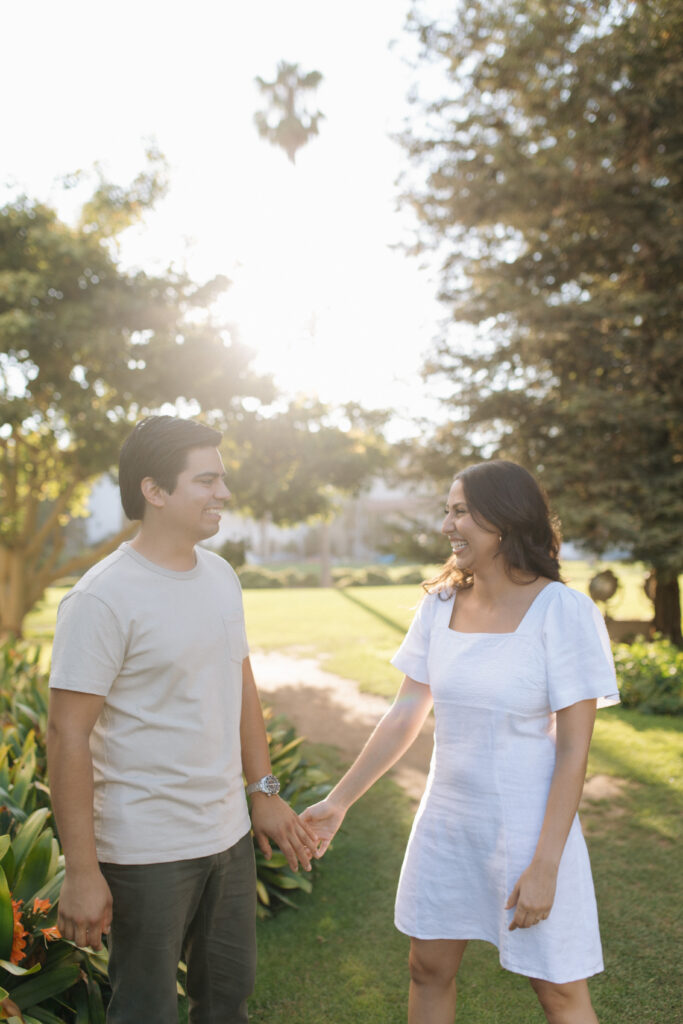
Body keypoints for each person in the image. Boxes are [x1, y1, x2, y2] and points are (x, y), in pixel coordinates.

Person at [301, 460, 619, 1024]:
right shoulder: (440, 604)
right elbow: (405, 712)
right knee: (427, 970)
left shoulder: (563, 611)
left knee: (559, 992)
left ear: (503, 521)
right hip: (447, 823)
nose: (447, 525)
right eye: (446, 511)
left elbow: (574, 751)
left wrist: (546, 863)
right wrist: (339, 800)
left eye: (460, 512)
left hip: (531, 832)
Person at [47, 415, 317, 1024]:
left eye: (221, 480)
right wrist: (83, 872)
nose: (223, 493)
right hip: (146, 851)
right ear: (155, 490)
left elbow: (239, 680)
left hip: (226, 838)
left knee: (227, 1003)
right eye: (207, 480)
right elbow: (67, 736)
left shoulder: (220, 576)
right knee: (146, 1014)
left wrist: (263, 791)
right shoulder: (101, 598)